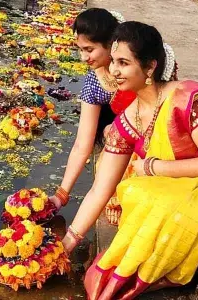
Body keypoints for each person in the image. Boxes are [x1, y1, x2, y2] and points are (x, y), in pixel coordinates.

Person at [61, 21, 198, 299]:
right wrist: (68, 242)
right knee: (134, 191)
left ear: (150, 67)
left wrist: (154, 166)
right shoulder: (128, 120)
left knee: (161, 202)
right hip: (179, 190)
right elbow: (100, 188)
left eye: (123, 63)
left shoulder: (188, 100)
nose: (114, 72)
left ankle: (156, 274)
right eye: (113, 62)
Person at [50, 8, 136, 210]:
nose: (83, 58)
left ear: (110, 45)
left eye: (89, 50)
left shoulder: (135, 68)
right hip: (120, 142)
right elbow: (82, 143)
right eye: (80, 50)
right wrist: (61, 194)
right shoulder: (93, 83)